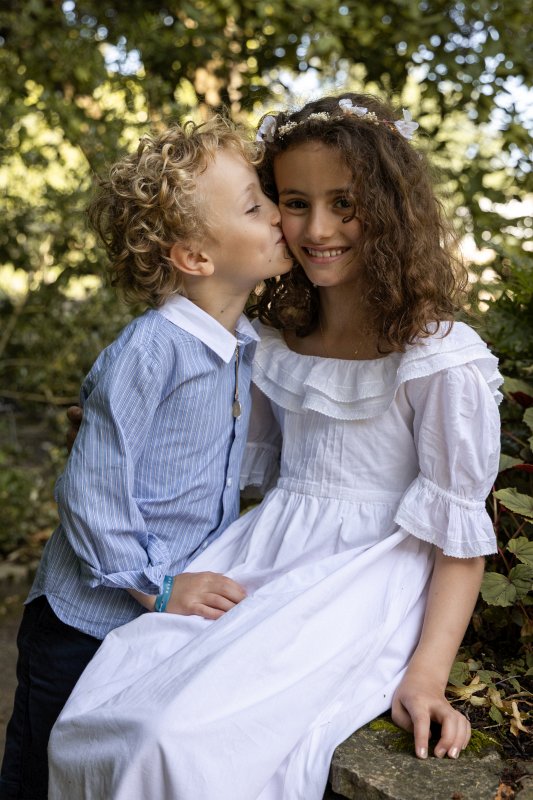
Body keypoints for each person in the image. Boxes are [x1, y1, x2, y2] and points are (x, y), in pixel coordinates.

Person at [48, 93, 502, 800]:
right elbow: (199, 440)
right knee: (117, 706)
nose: (316, 228)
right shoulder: (269, 345)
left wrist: (424, 675)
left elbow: (459, 538)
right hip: (264, 552)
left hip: (362, 577)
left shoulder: (438, 358)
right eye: (291, 202)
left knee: (183, 739)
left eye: (344, 204)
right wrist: (109, 423)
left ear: (389, 209)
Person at [0, 116, 290, 800]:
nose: (279, 214)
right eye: (256, 205)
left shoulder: (242, 344)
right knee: (42, 767)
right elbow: (92, 491)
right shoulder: (149, 351)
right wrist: (158, 584)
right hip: (86, 618)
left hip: (154, 618)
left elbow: (226, 463)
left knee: (106, 768)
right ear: (194, 256)